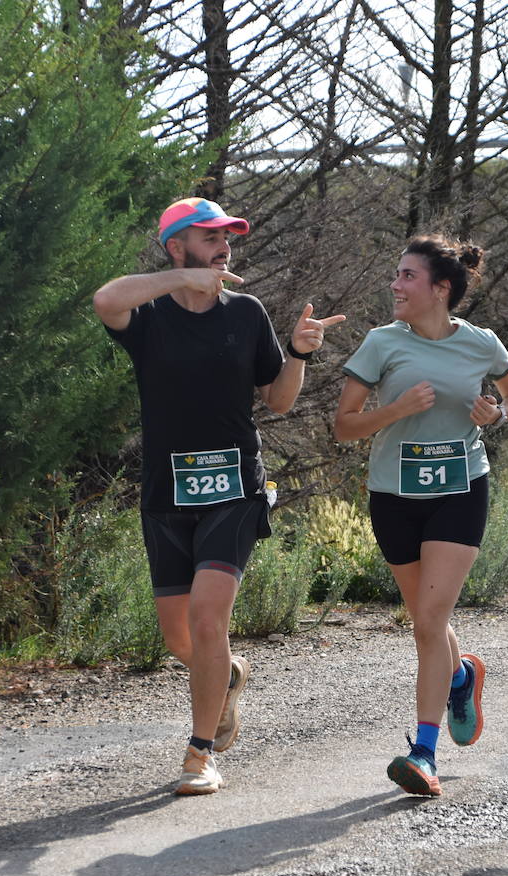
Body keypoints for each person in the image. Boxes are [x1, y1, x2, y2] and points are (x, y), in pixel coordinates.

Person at [93, 197, 345, 796]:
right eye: (209, 238)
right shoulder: (148, 315)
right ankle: (226, 676)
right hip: (166, 491)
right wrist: (182, 281)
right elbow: (105, 299)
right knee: (179, 638)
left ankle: (199, 755)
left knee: (208, 620)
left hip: (234, 486)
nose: (224, 247)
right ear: (176, 246)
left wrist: (299, 353)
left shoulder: (246, 312)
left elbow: (278, 400)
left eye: (227, 237)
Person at [334, 235, 508, 797]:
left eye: (407, 276)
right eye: (396, 275)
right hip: (393, 495)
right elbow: (343, 426)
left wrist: (497, 415)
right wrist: (395, 410)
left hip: (459, 489)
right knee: (427, 618)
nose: (395, 285)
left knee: (427, 621)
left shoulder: (480, 343)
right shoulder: (381, 343)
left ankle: (423, 752)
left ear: (440, 289)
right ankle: (461, 675)